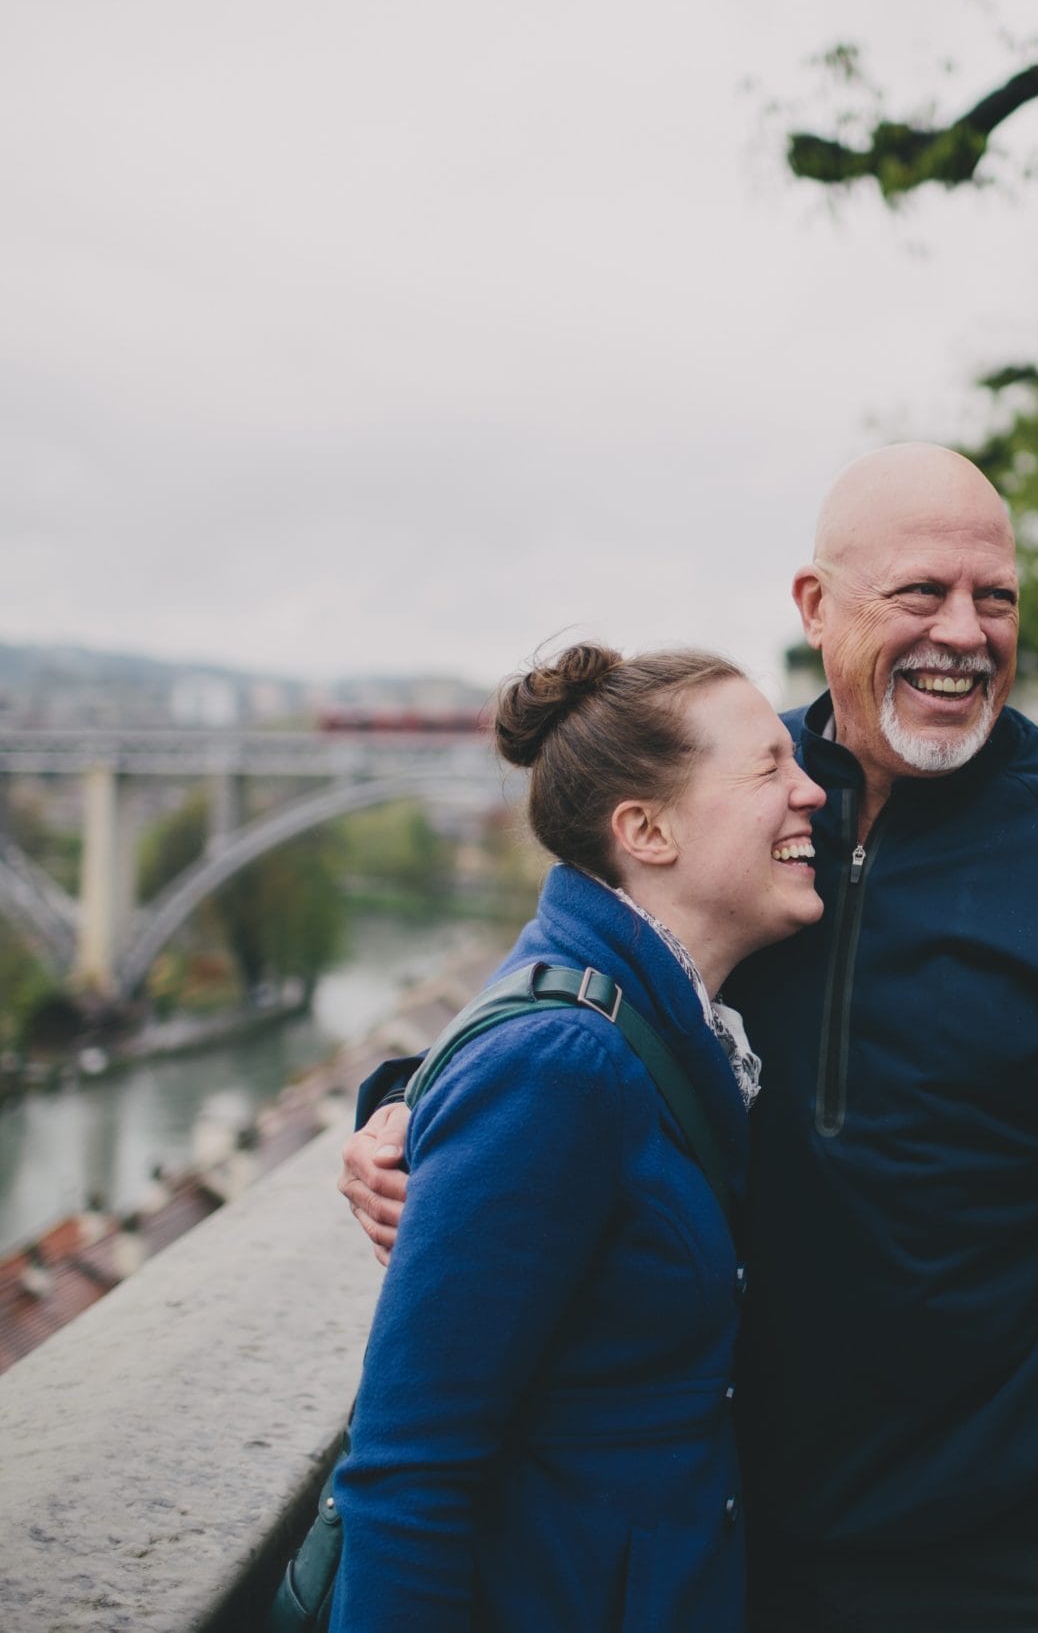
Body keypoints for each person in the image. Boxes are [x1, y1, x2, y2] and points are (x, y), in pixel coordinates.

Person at [342, 444, 1038, 1632]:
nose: (964, 631)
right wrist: (396, 1107)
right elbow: (563, 998)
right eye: (919, 594)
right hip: (741, 1538)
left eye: (995, 598)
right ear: (815, 606)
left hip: (1023, 1556)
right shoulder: (736, 804)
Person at [330, 643, 826, 1630]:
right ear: (645, 830)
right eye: (770, 767)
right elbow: (404, 1475)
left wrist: (398, 1097)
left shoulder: (647, 1017)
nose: (810, 792)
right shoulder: (564, 1064)